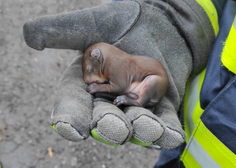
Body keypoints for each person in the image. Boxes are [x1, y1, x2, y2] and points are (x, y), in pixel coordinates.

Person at [23, 0, 236, 167]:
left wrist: (101, 88)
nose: (91, 77)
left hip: (157, 91)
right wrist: (177, 13)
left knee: (142, 94)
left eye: (91, 71)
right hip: (183, 145)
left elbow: (117, 85)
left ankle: (137, 99)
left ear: (98, 59)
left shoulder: (117, 69)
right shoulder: (110, 62)